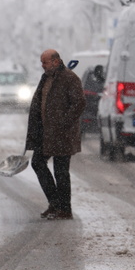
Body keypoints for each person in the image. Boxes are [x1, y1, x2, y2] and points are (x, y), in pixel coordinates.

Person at [25, 49, 86, 220]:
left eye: (44, 62)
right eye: (41, 62)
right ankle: (55, 203)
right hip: (47, 133)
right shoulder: (47, 78)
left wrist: (64, 123)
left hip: (63, 135)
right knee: (37, 163)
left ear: (56, 61)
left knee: (61, 171)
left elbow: (79, 103)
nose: (42, 65)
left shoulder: (69, 78)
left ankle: (65, 209)